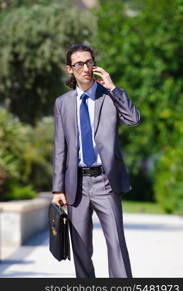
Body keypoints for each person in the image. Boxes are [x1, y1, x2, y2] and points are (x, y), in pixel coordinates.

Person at [51, 43, 140, 278]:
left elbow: (133, 120)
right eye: (79, 64)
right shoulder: (63, 103)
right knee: (80, 248)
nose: (85, 68)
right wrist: (57, 189)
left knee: (116, 244)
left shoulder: (109, 97)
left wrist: (113, 87)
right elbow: (60, 147)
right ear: (70, 69)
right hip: (76, 185)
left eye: (89, 62)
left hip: (105, 181)